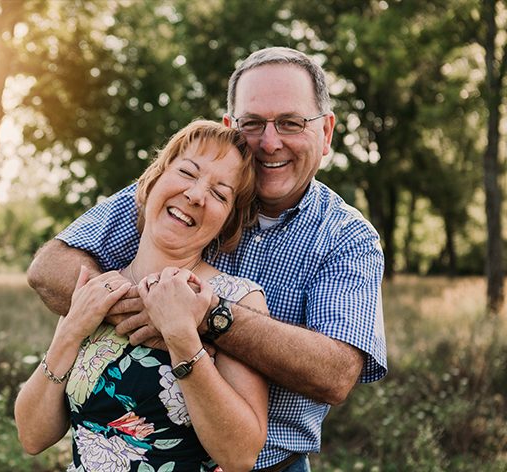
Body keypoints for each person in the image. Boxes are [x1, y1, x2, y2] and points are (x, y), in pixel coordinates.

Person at [27, 47, 388, 472]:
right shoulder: (180, 189)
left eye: (291, 123)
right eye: (252, 123)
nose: (269, 142)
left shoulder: (348, 237)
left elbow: (335, 373)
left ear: (325, 132)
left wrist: (200, 318)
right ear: (229, 127)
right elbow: (50, 269)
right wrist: (143, 304)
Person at [16, 120, 270, 472]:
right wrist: (71, 330)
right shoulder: (98, 287)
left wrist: (183, 339)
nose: (196, 196)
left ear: (227, 222)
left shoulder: (236, 300)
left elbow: (241, 456)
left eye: (219, 193)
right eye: (187, 172)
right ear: (153, 180)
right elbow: (32, 437)